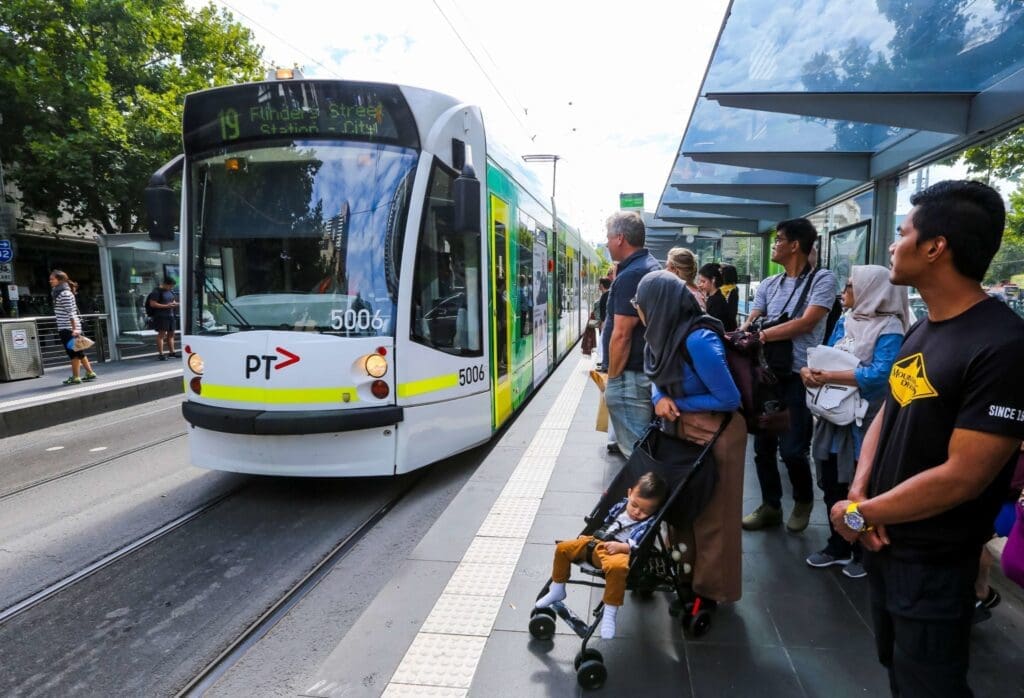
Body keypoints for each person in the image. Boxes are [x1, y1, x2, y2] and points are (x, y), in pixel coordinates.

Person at [829, 180, 1024, 697]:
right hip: (887, 540)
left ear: (936, 247)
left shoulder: (1003, 346)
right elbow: (887, 414)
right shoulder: (924, 329)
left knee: (930, 685)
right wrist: (861, 495)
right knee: (899, 669)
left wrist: (865, 514)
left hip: (936, 562)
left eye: (902, 233)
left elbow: (964, 476)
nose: (893, 245)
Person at [635, 270, 746, 606]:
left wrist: (675, 403)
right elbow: (657, 378)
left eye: (640, 303)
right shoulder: (663, 335)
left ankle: (711, 590)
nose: (638, 309)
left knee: (714, 515)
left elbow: (729, 398)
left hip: (717, 432)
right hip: (681, 430)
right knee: (682, 509)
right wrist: (659, 400)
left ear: (659, 304)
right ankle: (683, 574)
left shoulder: (698, 339)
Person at [801, 265, 908, 580]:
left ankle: (862, 550)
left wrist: (830, 376)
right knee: (833, 479)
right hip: (836, 417)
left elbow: (879, 376)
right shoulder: (846, 320)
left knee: (860, 485)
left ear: (872, 290)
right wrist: (810, 372)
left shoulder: (891, 328)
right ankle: (838, 545)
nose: (844, 292)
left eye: (850, 286)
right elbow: (825, 355)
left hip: (865, 420)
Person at [740, 218, 837, 533]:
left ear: (795, 244)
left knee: (793, 448)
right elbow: (753, 318)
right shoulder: (770, 284)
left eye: (779, 239)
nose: (775, 244)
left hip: (800, 376)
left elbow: (808, 323)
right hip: (768, 376)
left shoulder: (823, 280)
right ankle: (771, 505)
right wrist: (748, 330)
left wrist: (764, 335)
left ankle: (804, 499)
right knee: (763, 446)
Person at [535, 471, 667, 639]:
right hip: (596, 541)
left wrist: (622, 547)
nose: (636, 512)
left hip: (619, 551)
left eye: (644, 511)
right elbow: (604, 521)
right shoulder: (621, 505)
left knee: (617, 568)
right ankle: (557, 589)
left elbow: (638, 544)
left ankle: (610, 613)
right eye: (634, 505)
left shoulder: (647, 522)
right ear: (629, 493)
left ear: (654, 511)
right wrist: (589, 536)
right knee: (562, 548)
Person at [603, 212, 661, 457]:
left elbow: (622, 335)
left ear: (620, 238)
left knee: (636, 453)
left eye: (607, 237)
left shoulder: (632, 275)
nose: (605, 243)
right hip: (641, 372)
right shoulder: (648, 266)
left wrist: (613, 380)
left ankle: (642, 494)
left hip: (630, 377)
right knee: (643, 445)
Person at [50, 270, 97, 385]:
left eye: (52, 279)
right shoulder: (63, 292)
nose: (50, 281)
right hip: (69, 327)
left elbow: (70, 312)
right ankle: (90, 373)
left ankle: (76, 377)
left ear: (60, 280)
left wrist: (74, 329)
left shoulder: (63, 294)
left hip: (68, 328)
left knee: (73, 353)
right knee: (79, 352)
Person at [147, 277, 180, 360]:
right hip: (161, 316)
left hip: (171, 315)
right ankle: (161, 354)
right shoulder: (156, 292)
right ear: (165, 284)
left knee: (171, 334)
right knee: (162, 335)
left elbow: (172, 301)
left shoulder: (170, 291)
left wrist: (176, 304)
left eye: (172, 286)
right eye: (170, 286)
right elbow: (153, 304)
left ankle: (172, 352)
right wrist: (167, 306)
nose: (171, 287)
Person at [697, 262, 734, 331]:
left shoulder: (717, 301)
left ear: (713, 280)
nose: (700, 285)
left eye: (703, 281)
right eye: (700, 281)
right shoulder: (714, 297)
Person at [720, 263, 740, 329]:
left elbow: (732, 313)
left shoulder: (732, 290)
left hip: (727, 326)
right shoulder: (720, 288)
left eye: (721, 272)